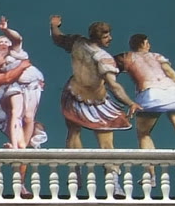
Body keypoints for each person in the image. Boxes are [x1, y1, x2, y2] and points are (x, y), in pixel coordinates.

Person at [48, 16, 135, 149]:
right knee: (103, 137)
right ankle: (81, 161)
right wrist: (130, 103)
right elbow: (114, 86)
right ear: (97, 38)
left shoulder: (77, 42)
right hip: (91, 98)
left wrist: (54, 26)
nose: (110, 38)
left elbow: (58, 38)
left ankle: (75, 163)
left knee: (74, 133)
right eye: (106, 36)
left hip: (73, 93)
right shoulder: (103, 58)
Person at [0, 16, 47, 150]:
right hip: (15, 87)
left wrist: (5, 30)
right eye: (0, 42)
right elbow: (4, 75)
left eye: (6, 41)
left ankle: (23, 146)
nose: (4, 43)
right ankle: (16, 146)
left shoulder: (15, 52)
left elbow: (17, 39)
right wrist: (20, 66)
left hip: (32, 85)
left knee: (28, 117)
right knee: (16, 115)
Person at [116, 32, 175, 146]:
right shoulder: (156, 56)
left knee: (143, 133)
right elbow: (170, 73)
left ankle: (150, 158)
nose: (149, 45)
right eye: (147, 43)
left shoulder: (127, 57)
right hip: (173, 91)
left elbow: (109, 67)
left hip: (151, 93)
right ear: (142, 44)